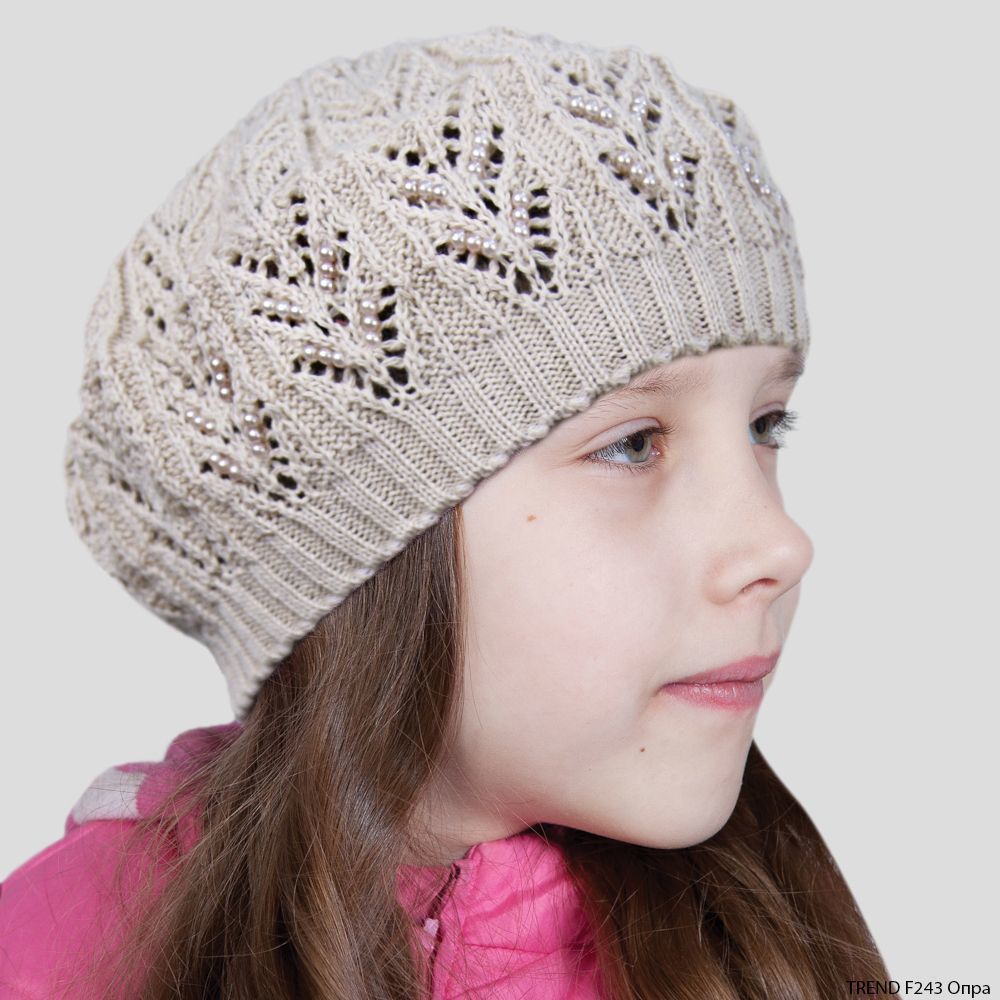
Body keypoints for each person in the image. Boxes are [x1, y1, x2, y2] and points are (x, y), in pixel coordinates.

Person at [0, 24, 890, 998]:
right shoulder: (59, 961)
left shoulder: (772, 949)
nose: (779, 543)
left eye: (766, 425)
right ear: (358, 549)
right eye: (633, 444)